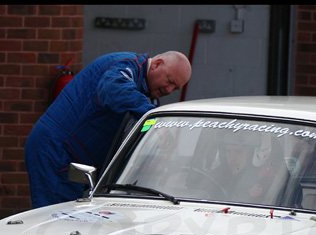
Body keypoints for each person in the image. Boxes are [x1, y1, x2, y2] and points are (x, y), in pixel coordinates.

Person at [24, 51, 192, 208]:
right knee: (56, 223)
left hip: (74, 160)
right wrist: (154, 119)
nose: (169, 90)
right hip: (57, 151)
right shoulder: (125, 67)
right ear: (157, 64)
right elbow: (114, 89)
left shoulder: (145, 95)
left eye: (175, 88)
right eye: (170, 81)